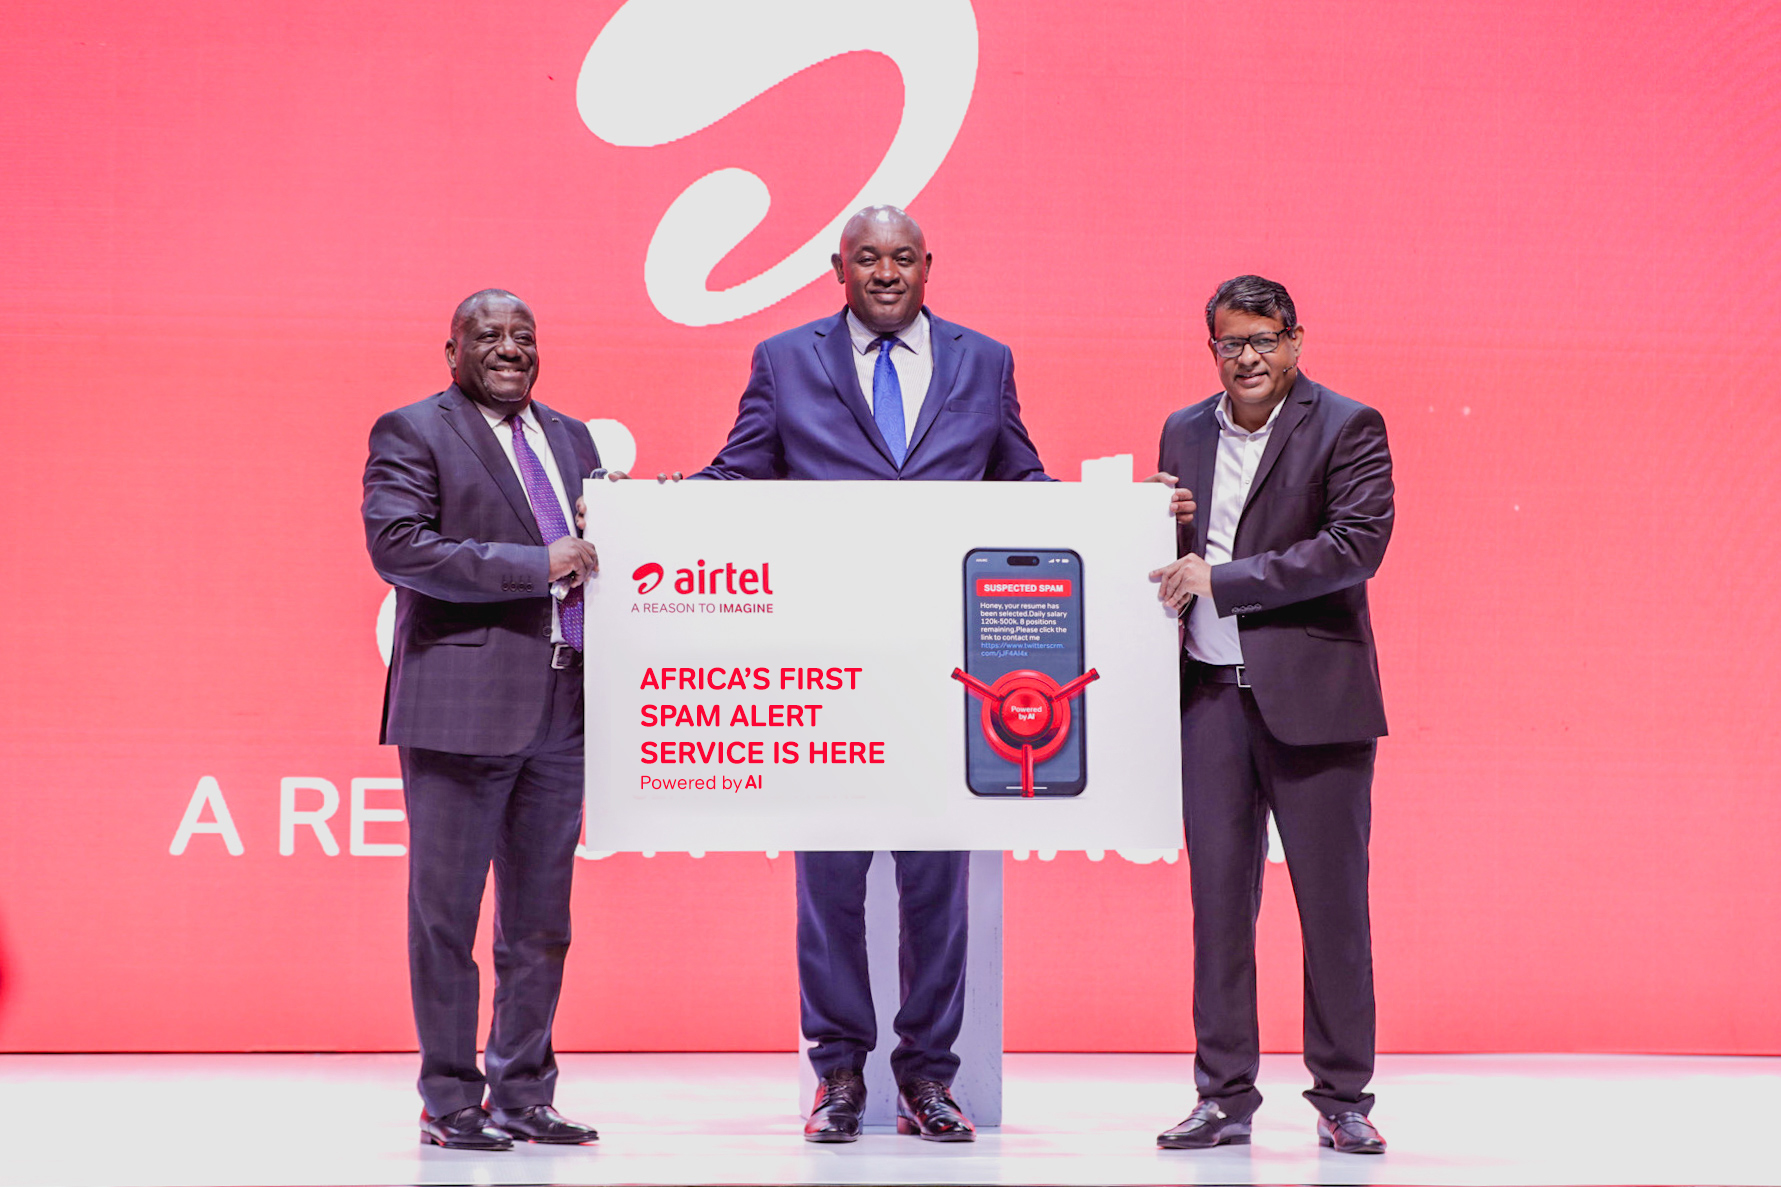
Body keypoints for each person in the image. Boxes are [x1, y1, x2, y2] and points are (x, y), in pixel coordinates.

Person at [688, 205, 1047, 1143]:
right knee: (830, 886)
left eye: (902, 258)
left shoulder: (985, 360)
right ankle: (839, 1073)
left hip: (948, 666)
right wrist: (647, 510)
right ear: (836, 268)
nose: (885, 272)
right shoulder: (783, 358)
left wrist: (1126, 513)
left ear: (928, 265)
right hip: (828, 659)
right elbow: (739, 474)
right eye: (867, 258)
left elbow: (1021, 481)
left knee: (937, 884)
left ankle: (929, 1077)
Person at [1148, 276, 1394, 1155]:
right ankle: (1222, 1095)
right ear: (1210, 348)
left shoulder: (1347, 424)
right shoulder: (1183, 428)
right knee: (1217, 908)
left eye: (1263, 339)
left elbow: (1354, 545)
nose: (1247, 357)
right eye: (1230, 343)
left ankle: (1342, 1096)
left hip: (1315, 700)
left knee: (1332, 909)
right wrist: (1149, 523)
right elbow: (1172, 560)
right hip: (1209, 697)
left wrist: (1222, 578)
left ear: (1295, 340)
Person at [362, 290, 604, 1150]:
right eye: (489, 335)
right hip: (460, 709)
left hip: (564, 707)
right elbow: (398, 545)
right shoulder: (412, 430)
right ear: (452, 351)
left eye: (522, 336)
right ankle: (450, 1099)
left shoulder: (573, 437)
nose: (509, 348)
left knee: (541, 922)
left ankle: (524, 1092)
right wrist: (534, 564)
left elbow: (601, 549)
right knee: (447, 918)